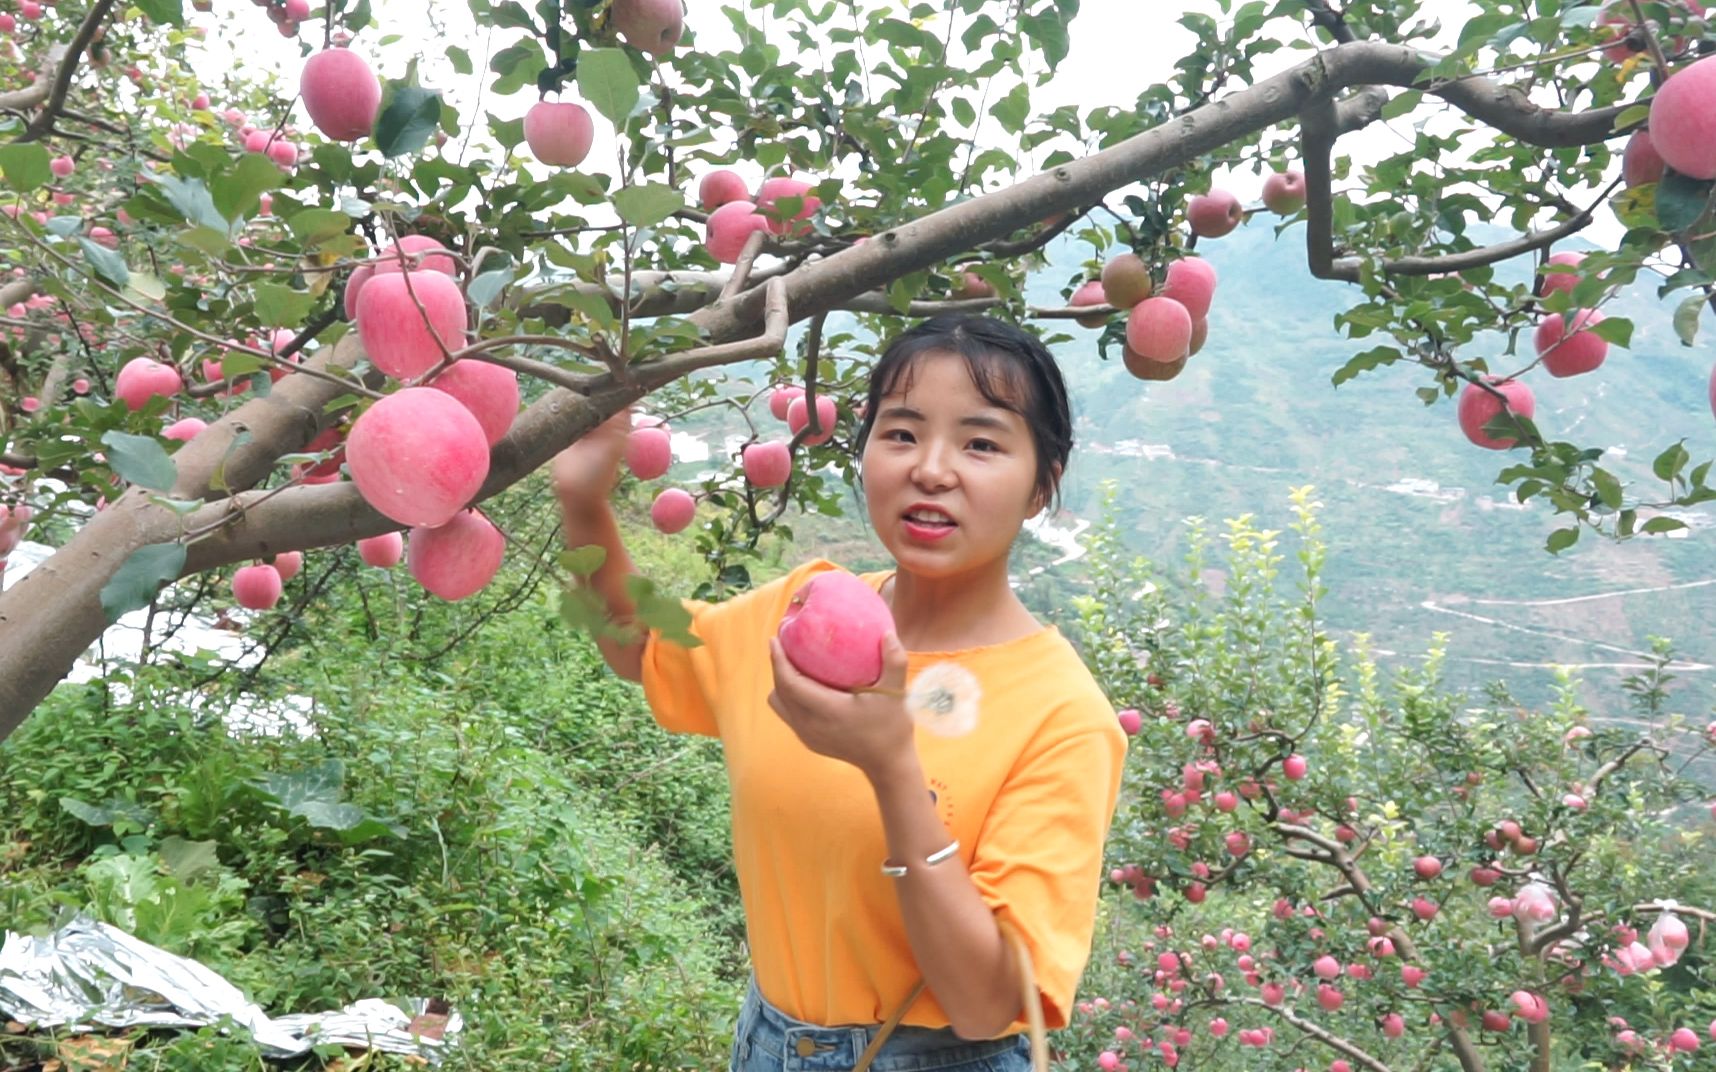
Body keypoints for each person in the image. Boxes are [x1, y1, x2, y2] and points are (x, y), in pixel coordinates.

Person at [552, 315, 1127, 1072]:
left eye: (982, 443)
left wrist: (892, 767)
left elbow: (989, 1003)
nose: (932, 469)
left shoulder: (1062, 715)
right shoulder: (806, 612)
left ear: (1040, 486)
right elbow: (643, 646)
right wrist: (584, 500)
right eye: (901, 433)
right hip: (766, 1041)